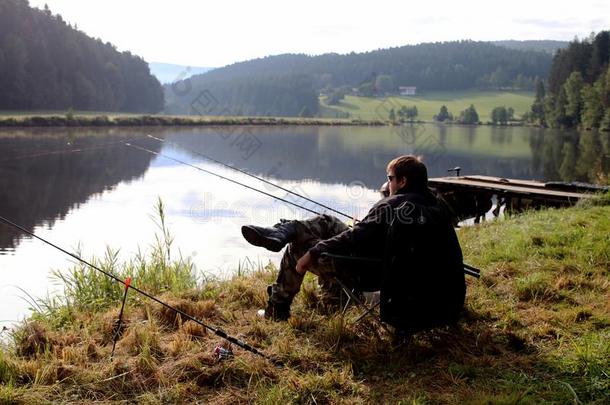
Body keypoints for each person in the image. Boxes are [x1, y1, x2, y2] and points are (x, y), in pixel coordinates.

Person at [241, 155, 465, 332]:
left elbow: (354, 237)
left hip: (365, 270)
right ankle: (281, 231)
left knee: (296, 249)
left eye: (390, 178)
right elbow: (370, 233)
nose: (387, 183)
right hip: (393, 267)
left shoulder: (390, 205)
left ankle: (277, 309)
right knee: (327, 221)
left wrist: (314, 251)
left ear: (403, 181)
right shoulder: (436, 206)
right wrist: (365, 227)